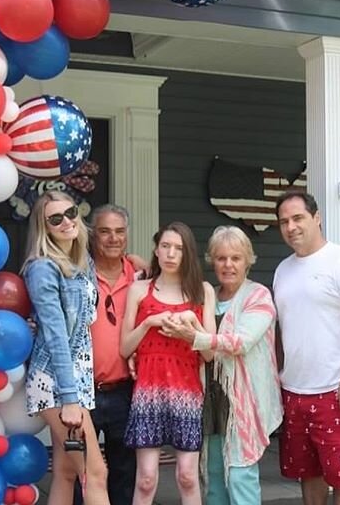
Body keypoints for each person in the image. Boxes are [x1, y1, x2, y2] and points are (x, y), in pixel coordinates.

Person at [161, 225, 283, 505]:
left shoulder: (258, 296)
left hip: (243, 402)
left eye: (235, 258)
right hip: (209, 400)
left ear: (247, 260)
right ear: (212, 261)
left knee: (240, 476)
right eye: (221, 258)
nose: (228, 265)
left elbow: (242, 341)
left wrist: (196, 337)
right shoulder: (207, 296)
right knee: (213, 477)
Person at [272, 192, 340, 505]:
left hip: (339, 390)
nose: (291, 227)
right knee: (308, 473)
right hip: (295, 390)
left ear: (316, 218)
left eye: (298, 218)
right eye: (284, 222)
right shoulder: (283, 270)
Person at [22, 191, 110, 505]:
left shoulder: (81, 261)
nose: (66, 222)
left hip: (77, 380)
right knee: (95, 473)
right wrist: (70, 400)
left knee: (66, 472)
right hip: (57, 383)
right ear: (43, 227)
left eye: (70, 213)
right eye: (55, 219)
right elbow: (57, 337)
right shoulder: (43, 269)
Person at [120, 221, 216, 505]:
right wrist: (149, 322)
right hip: (148, 391)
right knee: (146, 479)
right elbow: (125, 348)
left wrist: (192, 323)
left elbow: (210, 352)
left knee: (187, 475)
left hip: (187, 392)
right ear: (156, 250)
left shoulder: (202, 290)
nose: (171, 254)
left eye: (179, 248)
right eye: (166, 246)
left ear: (188, 254)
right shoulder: (139, 289)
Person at [86, 204, 139, 505]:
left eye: (119, 231)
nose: (113, 238)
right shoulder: (77, 275)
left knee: (124, 472)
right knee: (84, 472)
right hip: (85, 393)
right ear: (93, 235)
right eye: (105, 231)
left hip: (125, 391)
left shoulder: (140, 278)